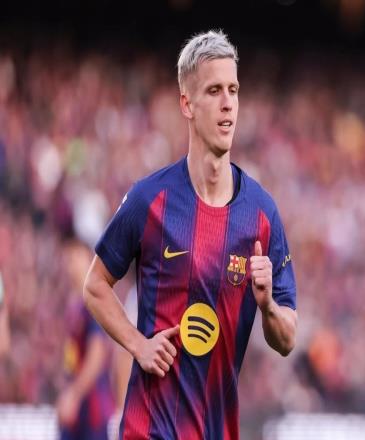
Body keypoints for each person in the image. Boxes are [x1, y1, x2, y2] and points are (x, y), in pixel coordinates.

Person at [83, 29, 297, 439]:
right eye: (214, 91)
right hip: (149, 428)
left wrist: (268, 306)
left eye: (233, 90)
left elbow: (287, 338)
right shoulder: (150, 199)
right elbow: (95, 284)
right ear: (187, 104)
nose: (228, 103)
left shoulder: (262, 214)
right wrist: (138, 345)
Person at [57, 241, 114, 440]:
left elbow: (97, 355)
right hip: (77, 410)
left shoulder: (92, 302)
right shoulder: (73, 305)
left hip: (92, 410)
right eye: (67, 259)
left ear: (88, 259)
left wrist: (73, 394)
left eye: (75, 257)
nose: (70, 265)